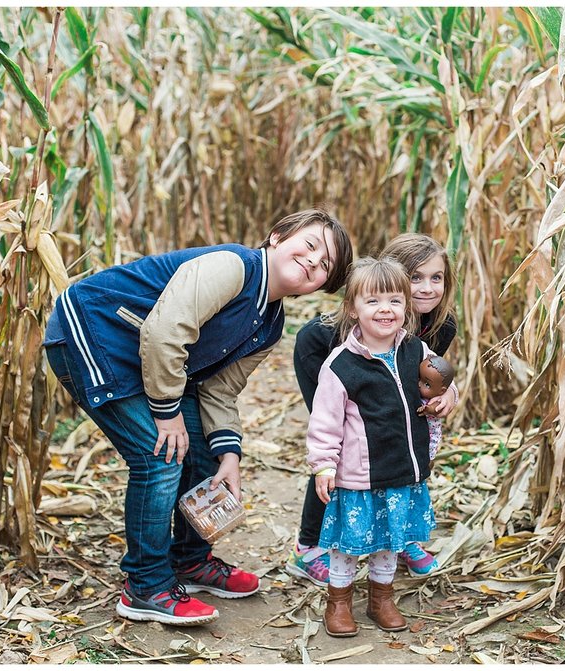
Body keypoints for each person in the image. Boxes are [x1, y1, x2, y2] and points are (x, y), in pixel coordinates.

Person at [43, 209, 352, 626]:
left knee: (204, 451)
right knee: (160, 457)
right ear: (277, 236)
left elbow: (219, 389)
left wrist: (229, 453)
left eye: (325, 265)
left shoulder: (270, 324)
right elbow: (164, 331)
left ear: (322, 286)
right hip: (93, 333)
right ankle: (145, 585)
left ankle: (189, 561)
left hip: (149, 360)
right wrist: (166, 412)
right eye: (311, 245)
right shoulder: (233, 267)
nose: (313, 261)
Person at [286, 233, 458, 586]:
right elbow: (318, 349)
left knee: (399, 446)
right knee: (341, 454)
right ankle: (307, 548)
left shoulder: (441, 326)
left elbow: (432, 375)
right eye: (415, 278)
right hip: (325, 367)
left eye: (436, 278)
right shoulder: (343, 329)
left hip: (389, 385)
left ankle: (401, 537)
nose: (426, 288)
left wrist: (449, 395)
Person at [418, 353, 455, 468]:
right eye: (419, 378)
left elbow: (436, 409)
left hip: (430, 432)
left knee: (429, 447)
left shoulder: (437, 399)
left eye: (427, 384)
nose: (419, 384)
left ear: (441, 390)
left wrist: (428, 409)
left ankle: (429, 461)